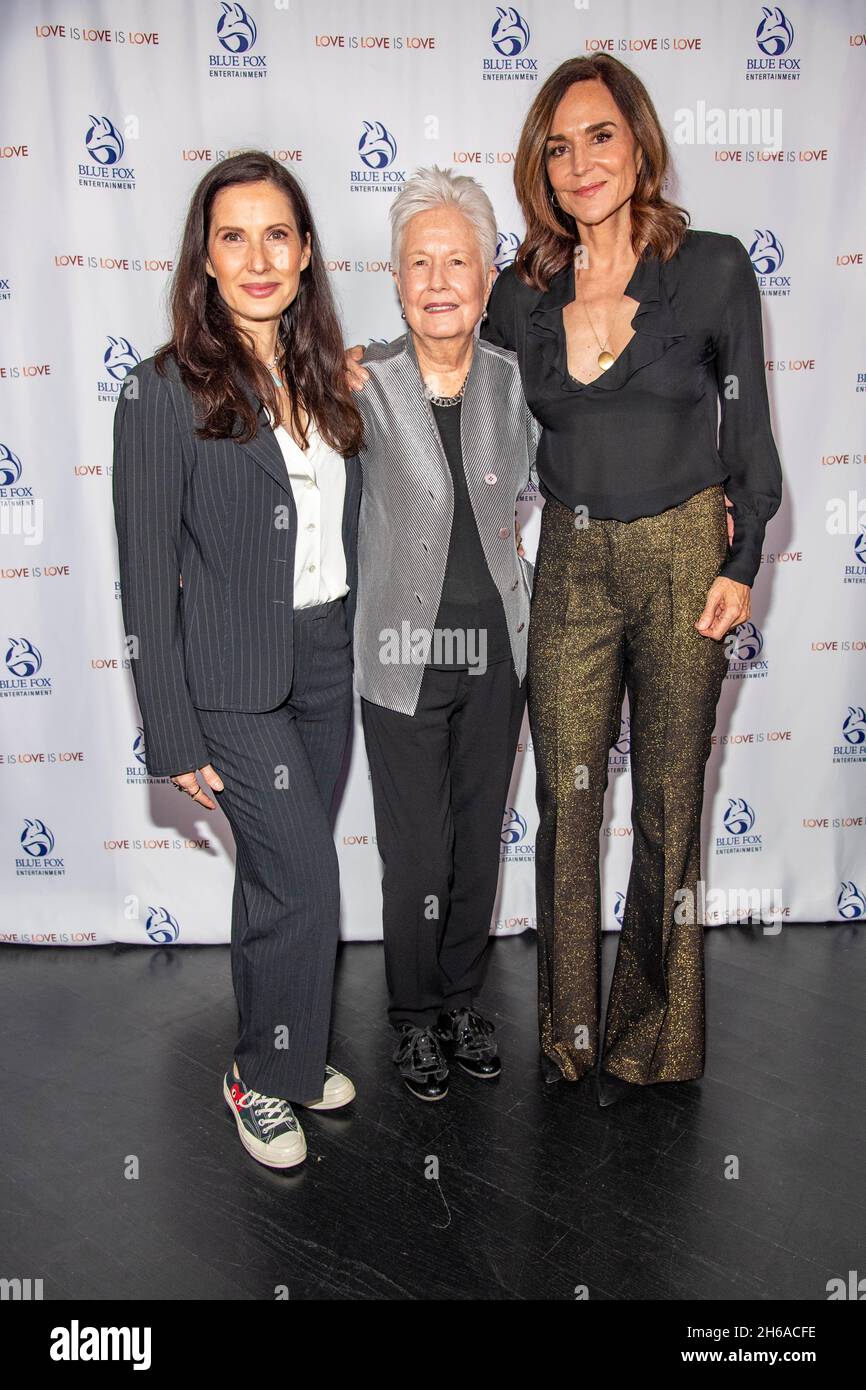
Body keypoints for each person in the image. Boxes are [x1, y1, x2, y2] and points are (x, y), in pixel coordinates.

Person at [480, 55, 783, 1104]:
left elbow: (748, 437)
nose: (578, 162)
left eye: (597, 135)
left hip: (682, 554)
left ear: (639, 142)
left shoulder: (710, 269)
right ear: (541, 169)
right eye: (556, 147)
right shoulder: (521, 296)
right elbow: (451, 388)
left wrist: (740, 565)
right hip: (568, 554)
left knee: (665, 804)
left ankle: (651, 1037)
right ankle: (568, 1036)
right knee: (566, 805)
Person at [112, 152, 363, 1165]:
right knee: (306, 880)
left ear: (303, 255)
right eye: (232, 236)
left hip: (328, 660)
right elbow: (143, 576)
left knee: (271, 877)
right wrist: (168, 730)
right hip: (231, 683)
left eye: (276, 235)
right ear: (204, 261)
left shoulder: (327, 379)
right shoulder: (158, 390)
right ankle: (259, 1077)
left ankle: (286, 1050)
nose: (256, 257)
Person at [350, 167, 539, 1100]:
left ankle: (463, 1000)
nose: (437, 279)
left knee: (476, 837)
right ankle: (413, 1018)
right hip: (403, 658)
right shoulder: (363, 383)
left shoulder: (515, 384)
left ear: (487, 273)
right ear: (395, 279)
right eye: (418, 262)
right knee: (416, 852)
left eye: (455, 260)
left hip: (499, 649)